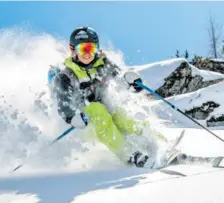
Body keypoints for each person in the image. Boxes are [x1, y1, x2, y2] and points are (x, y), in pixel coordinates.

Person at [50, 26, 167, 168]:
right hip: (86, 124)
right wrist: (72, 117)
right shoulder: (66, 76)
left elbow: (119, 77)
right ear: (73, 49)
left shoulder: (102, 64)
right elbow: (63, 104)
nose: (88, 54)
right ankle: (130, 154)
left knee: (121, 116)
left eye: (91, 49)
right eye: (83, 49)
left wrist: (130, 81)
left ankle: (159, 145)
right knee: (97, 109)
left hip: (106, 114)